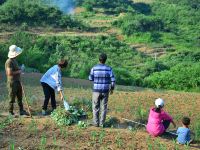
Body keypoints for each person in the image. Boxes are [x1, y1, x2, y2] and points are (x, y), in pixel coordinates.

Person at [89, 53, 115, 127]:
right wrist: (112, 89)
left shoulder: (94, 68)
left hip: (96, 90)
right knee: (104, 107)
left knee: (95, 107)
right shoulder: (109, 68)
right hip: (105, 91)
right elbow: (113, 80)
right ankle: (102, 124)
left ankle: (96, 123)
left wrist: (96, 79)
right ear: (105, 60)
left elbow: (90, 78)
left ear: (99, 59)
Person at [5, 45, 28, 116]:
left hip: (18, 81)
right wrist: (19, 71)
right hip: (12, 82)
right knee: (12, 98)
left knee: (19, 97)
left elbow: (16, 70)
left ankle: (21, 111)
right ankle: (10, 112)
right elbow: (9, 73)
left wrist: (21, 68)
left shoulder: (14, 60)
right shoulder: (9, 62)